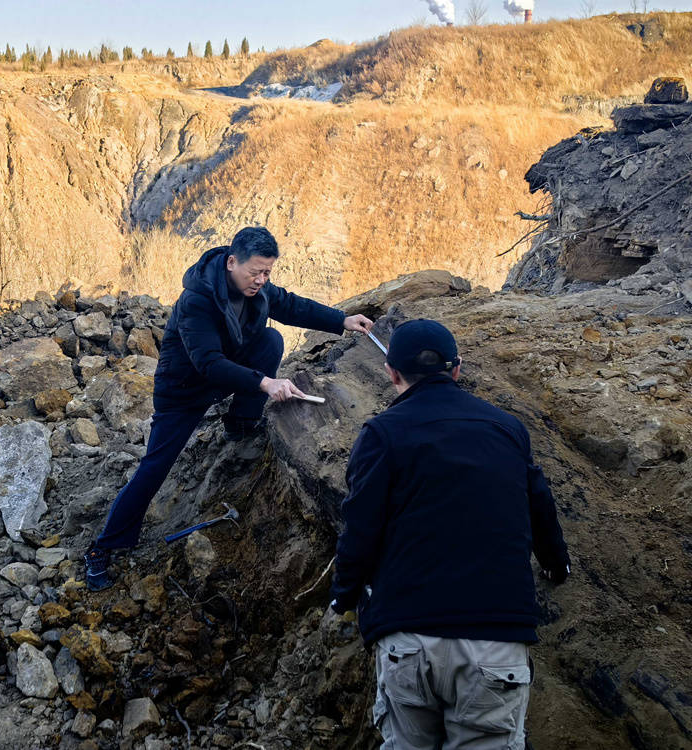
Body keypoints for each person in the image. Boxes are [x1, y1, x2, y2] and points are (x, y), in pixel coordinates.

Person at [84, 226, 374, 591]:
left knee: (270, 339)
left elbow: (289, 304)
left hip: (227, 370)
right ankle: (103, 547)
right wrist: (265, 383)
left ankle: (240, 423)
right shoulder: (198, 300)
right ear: (232, 262)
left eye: (267, 272)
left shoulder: (255, 286)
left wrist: (341, 320)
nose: (261, 280)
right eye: (256, 272)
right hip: (184, 391)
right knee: (155, 468)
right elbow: (208, 362)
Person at [328, 319, 570, 750]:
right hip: (495, 640)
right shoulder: (507, 429)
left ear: (391, 373)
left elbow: (360, 527)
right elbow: (540, 505)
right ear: (456, 369)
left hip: (407, 636)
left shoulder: (382, 434)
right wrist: (556, 564)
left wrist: (344, 596)